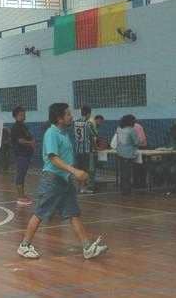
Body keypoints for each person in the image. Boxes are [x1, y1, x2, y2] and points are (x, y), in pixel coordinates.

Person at [17, 103, 107, 259]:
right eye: (68, 114)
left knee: (73, 213)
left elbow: (65, 158)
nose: (71, 116)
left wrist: (73, 175)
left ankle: (87, 247)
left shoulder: (64, 133)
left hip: (65, 180)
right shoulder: (52, 133)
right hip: (52, 180)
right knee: (40, 213)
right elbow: (53, 158)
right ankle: (24, 246)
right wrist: (75, 171)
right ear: (59, 118)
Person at [10, 106, 35, 206]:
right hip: (21, 154)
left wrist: (32, 142)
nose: (24, 115)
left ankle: (23, 195)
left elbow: (28, 137)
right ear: (16, 116)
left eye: (24, 113)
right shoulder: (16, 127)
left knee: (23, 175)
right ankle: (20, 197)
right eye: (21, 114)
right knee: (20, 175)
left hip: (26, 154)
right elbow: (20, 140)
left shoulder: (23, 126)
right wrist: (30, 143)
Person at [74, 105, 98, 194]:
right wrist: (95, 147)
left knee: (79, 169)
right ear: (89, 113)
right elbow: (94, 135)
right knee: (87, 169)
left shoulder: (75, 122)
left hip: (78, 149)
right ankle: (85, 188)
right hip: (87, 149)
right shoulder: (89, 123)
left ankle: (78, 187)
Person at [115, 115, 140, 195]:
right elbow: (136, 142)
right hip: (128, 153)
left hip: (119, 152)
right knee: (127, 173)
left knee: (122, 172)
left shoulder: (118, 129)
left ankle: (123, 189)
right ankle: (127, 190)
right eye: (134, 121)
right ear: (130, 121)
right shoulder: (131, 130)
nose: (134, 122)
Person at [132, 117, 148, 189]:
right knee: (136, 167)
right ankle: (137, 183)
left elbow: (141, 140)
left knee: (140, 167)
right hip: (135, 148)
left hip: (140, 148)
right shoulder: (130, 127)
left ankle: (142, 183)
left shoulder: (137, 126)